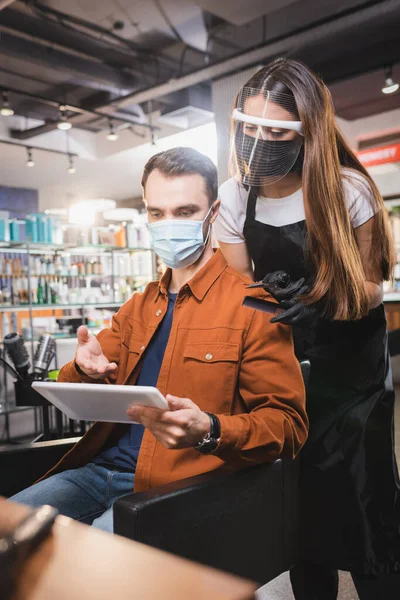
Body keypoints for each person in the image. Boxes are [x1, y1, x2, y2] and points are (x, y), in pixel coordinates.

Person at [10, 147, 307, 534]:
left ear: (213, 213)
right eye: (156, 213)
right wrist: (83, 368)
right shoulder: (138, 305)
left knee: (90, 559)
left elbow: (288, 426)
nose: (169, 224)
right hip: (102, 471)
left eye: (185, 212)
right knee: (8, 523)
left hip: (178, 487)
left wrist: (211, 429)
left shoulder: (253, 306)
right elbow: (79, 385)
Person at [214, 58, 400, 599]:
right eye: (249, 128)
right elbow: (237, 288)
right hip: (283, 379)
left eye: (276, 132)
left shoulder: (347, 191)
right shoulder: (233, 199)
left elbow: (371, 286)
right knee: (302, 523)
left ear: (309, 132)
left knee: (370, 517)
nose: (259, 142)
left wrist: (326, 303)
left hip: (352, 384)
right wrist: (261, 305)